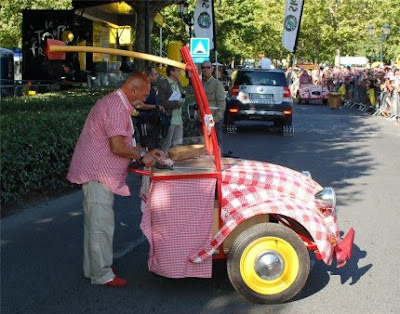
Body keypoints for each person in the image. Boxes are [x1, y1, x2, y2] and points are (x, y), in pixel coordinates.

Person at [67, 73, 164, 287]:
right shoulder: (115, 107)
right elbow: (118, 147)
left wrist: (146, 152)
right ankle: (102, 275)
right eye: (145, 94)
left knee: (96, 224)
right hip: (97, 173)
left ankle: (93, 269)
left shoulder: (117, 103)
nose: (146, 99)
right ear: (133, 90)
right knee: (100, 225)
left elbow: (124, 141)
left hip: (98, 173)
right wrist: (142, 156)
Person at [133, 66, 165, 150]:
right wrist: (155, 106)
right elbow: (138, 105)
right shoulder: (142, 88)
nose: (157, 76)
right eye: (155, 74)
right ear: (149, 76)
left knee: (154, 144)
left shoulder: (152, 88)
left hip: (153, 121)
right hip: (145, 121)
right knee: (146, 144)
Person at [158, 65, 185, 151]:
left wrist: (183, 98)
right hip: (169, 117)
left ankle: (176, 162)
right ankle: (164, 162)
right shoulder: (164, 84)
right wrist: (176, 103)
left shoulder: (178, 82)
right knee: (167, 144)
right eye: (177, 71)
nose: (179, 73)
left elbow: (181, 96)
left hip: (178, 117)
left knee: (178, 144)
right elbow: (162, 102)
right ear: (171, 72)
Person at [201, 61, 226, 147]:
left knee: (216, 145)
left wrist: (215, 119)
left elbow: (222, 104)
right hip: (203, 119)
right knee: (205, 145)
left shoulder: (217, 84)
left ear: (212, 69)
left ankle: (219, 160)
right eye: (203, 67)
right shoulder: (200, 83)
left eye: (208, 67)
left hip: (214, 120)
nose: (205, 70)